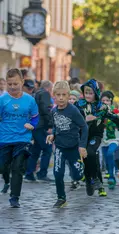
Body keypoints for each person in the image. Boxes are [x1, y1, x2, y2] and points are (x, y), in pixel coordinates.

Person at [75, 79, 119, 197]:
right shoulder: (79, 104)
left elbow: (113, 117)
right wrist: (85, 119)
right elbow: (73, 118)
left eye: (91, 93)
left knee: (90, 153)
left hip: (96, 135)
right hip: (82, 136)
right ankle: (89, 181)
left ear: (96, 93)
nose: (88, 95)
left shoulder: (101, 107)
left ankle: (96, 179)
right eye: (86, 93)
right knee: (86, 158)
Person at [0, 68, 39, 208]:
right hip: (4, 139)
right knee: (2, 167)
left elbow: (35, 117)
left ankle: (14, 197)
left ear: (22, 82)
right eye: (9, 84)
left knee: (17, 168)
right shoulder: (2, 100)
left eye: (15, 84)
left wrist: (32, 125)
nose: (12, 87)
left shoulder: (29, 100)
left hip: (22, 139)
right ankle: (6, 180)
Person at [46, 81, 88, 208]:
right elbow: (56, 126)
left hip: (74, 147)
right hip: (60, 147)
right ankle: (61, 198)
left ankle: (81, 171)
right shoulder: (54, 111)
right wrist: (53, 135)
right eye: (58, 95)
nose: (61, 98)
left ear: (68, 95)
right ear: (54, 96)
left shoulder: (73, 110)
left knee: (77, 175)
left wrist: (82, 146)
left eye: (64, 95)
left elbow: (84, 127)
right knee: (57, 173)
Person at [25, 80, 54, 182]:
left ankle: (29, 173)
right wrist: (50, 125)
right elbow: (46, 110)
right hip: (41, 126)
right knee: (47, 149)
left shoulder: (37, 93)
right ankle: (42, 173)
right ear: (49, 88)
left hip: (35, 126)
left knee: (35, 150)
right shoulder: (45, 94)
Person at [100, 91, 119, 189]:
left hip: (114, 138)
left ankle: (112, 177)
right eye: (103, 100)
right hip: (103, 138)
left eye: (107, 100)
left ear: (111, 101)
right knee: (107, 159)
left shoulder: (115, 111)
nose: (105, 102)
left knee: (110, 153)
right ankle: (110, 175)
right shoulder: (98, 112)